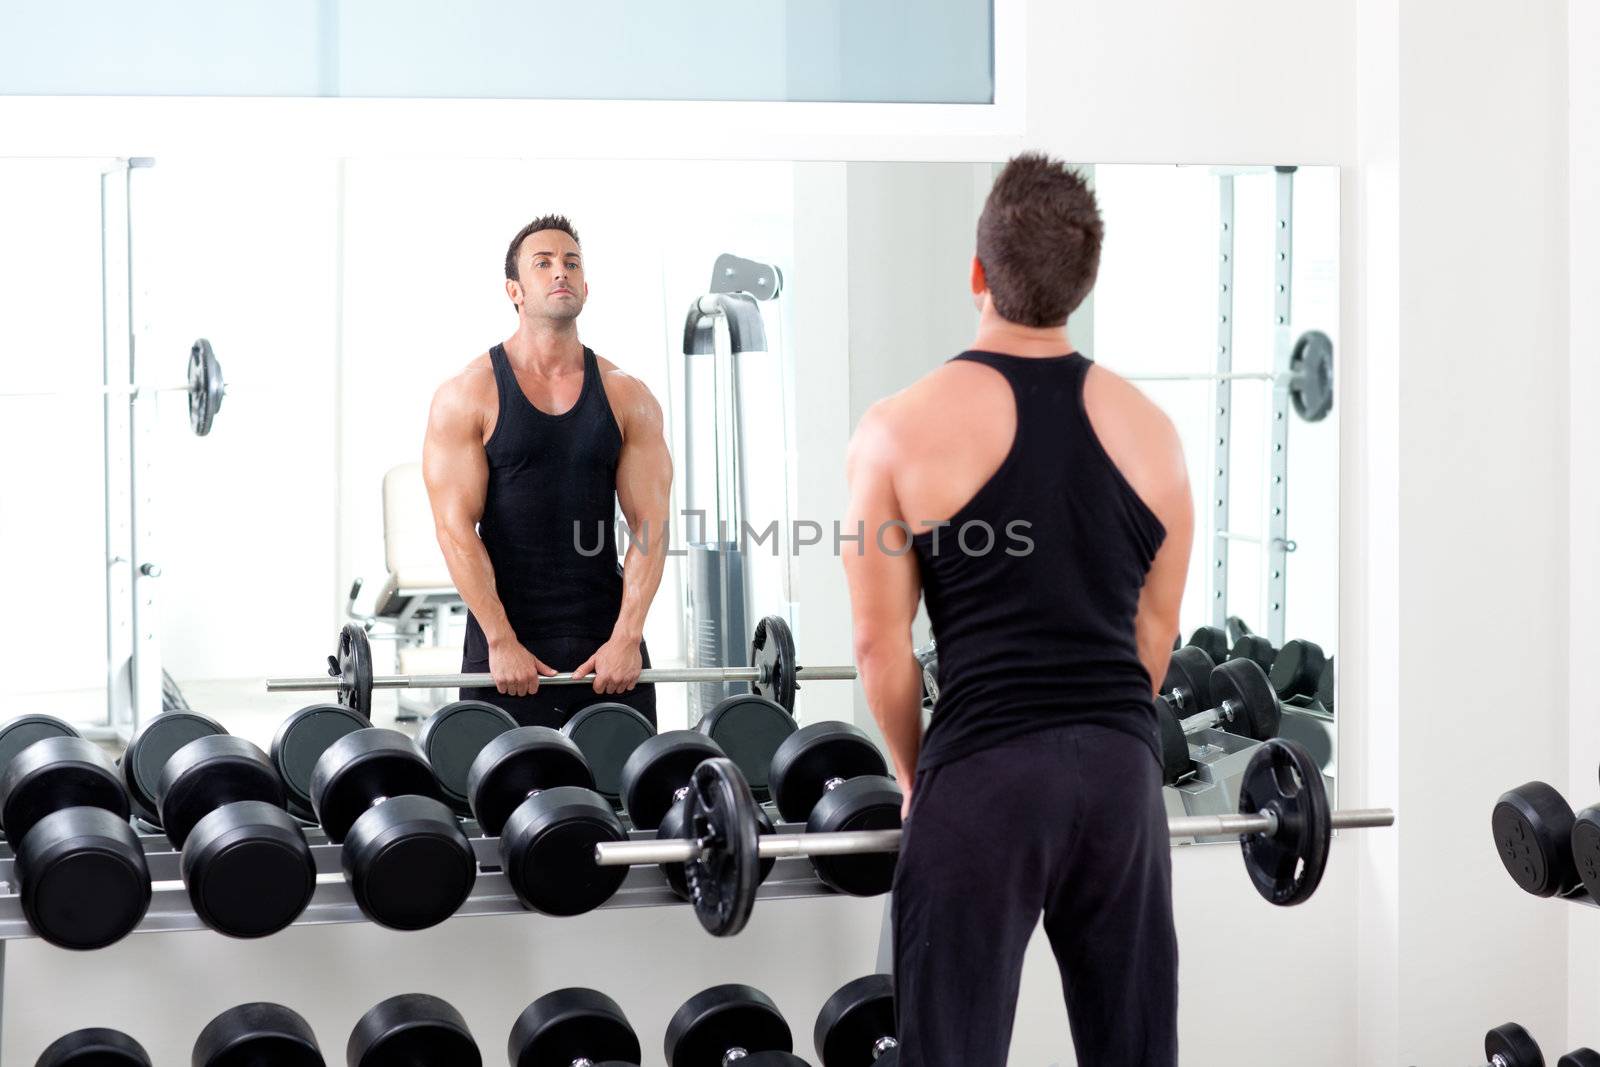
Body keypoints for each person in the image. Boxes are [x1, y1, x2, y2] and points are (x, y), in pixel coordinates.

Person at [841, 153, 1194, 1066]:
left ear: (977, 273)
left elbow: (882, 651)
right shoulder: (1155, 434)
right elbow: (1152, 640)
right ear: (1081, 285)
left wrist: (927, 776)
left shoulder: (897, 429)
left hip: (985, 777)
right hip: (1122, 779)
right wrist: (1097, 737)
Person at [424, 215, 672, 728]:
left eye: (571, 262)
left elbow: (650, 525)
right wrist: (500, 640)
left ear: (585, 285)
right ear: (514, 290)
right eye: (543, 263)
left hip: (606, 646)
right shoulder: (469, 393)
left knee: (622, 803)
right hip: (504, 644)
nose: (561, 271)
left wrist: (626, 638)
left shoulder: (628, 396)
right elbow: (454, 529)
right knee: (502, 802)